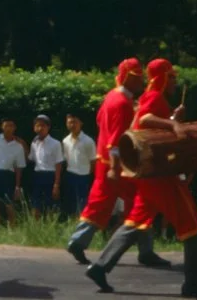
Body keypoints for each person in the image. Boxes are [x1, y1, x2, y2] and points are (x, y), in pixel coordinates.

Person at [86, 58, 197, 298]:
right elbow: (146, 119)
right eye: (171, 77)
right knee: (193, 227)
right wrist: (174, 127)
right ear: (162, 78)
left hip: (151, 176)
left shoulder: (153, 97)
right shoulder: (153, 96)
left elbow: (150, 128)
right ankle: (194, 283)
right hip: (160, 177)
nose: (174, 82)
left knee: (136, 221)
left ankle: (100, 267)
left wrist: (173, 120)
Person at [66, 58, 170, 268]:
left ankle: (77, 241)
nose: (142, 83)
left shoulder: (112, 97)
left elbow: (100, 125)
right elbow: (116, 139)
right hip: (118, 164)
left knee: (100, 203)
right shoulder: (122, 103)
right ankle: (146, 251)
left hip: (106, 162)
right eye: (137, 78)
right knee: (143, 201)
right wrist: (115, 167)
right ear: (128, 79)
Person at [27, 114, 64, 218]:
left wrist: (56, 184)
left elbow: (58, 164)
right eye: (37, 125)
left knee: (51, 203)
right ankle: (36, 227)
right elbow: (31, 158)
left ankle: (50, 227)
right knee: (35, 202)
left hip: (50, 175)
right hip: (37, 175)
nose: (40, 128)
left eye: (43, 125)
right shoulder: (34, 142)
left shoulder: (55, 143)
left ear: (48, 127)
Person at [62, 114, 97, 217]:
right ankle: (72, 224)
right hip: (70, 174)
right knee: (71, 202)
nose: (72, 125)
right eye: (70, 122)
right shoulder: (65, 140)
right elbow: (66, 158)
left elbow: (93, 161)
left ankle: (82, 223)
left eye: (75, 122)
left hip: (84, 175)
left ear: (81, 123)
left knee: (83, 203)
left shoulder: (88, 141)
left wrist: (88, 174)